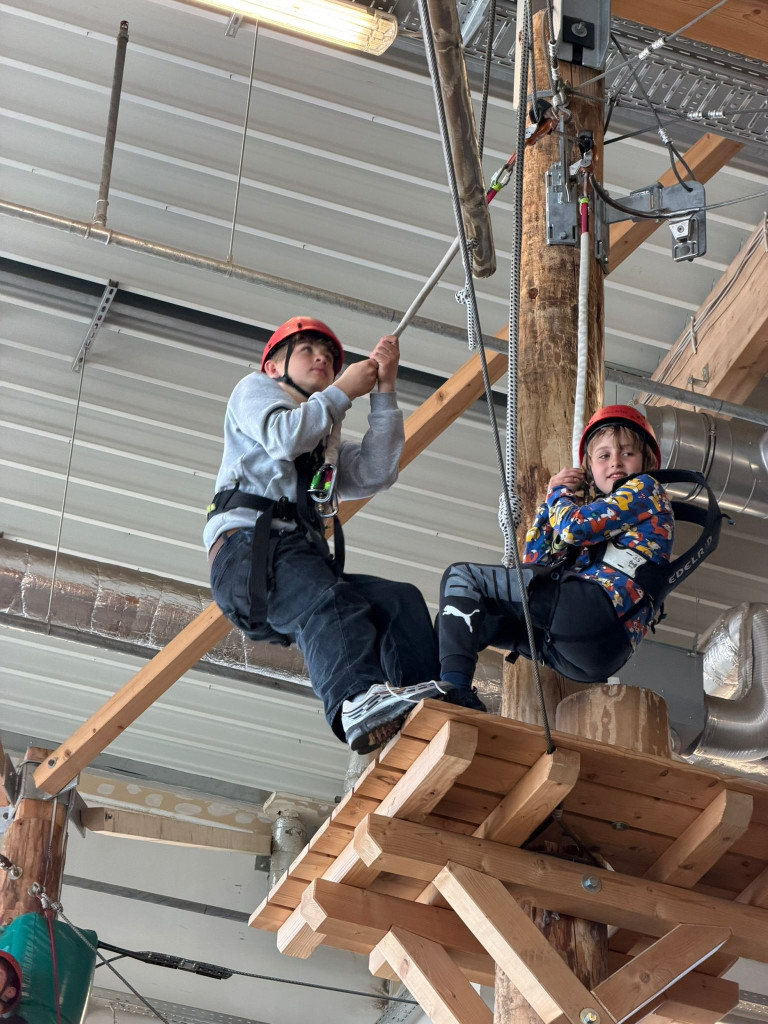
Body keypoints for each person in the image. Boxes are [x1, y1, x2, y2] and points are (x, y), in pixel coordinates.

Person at [204, 316, 446, 754]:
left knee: (399, 600)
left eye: (331, 358)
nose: (323, 358)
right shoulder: (255, 391)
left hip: (294, 561)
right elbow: (282, 437)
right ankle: (354, 701)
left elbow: (376, 471)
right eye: (308, 351)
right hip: (250, 554)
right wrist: (343, 391)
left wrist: (385, 393)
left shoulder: (324, 442)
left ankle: (423, 712)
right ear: (274, 367)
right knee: (330, 600)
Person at [436, 406, 675, 700]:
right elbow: (534, 564)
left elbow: (575, 527)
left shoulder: (645, 488)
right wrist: (548, 505)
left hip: (596, 611)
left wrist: (557, 494)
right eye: (604, 455)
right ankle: (430, 683)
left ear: (646, 461)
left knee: (461, 578)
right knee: (469, 616)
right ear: (589, 469)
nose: (616, 462)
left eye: (627, 454)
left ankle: (454, 693)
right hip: (587, 656)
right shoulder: (606, 520)